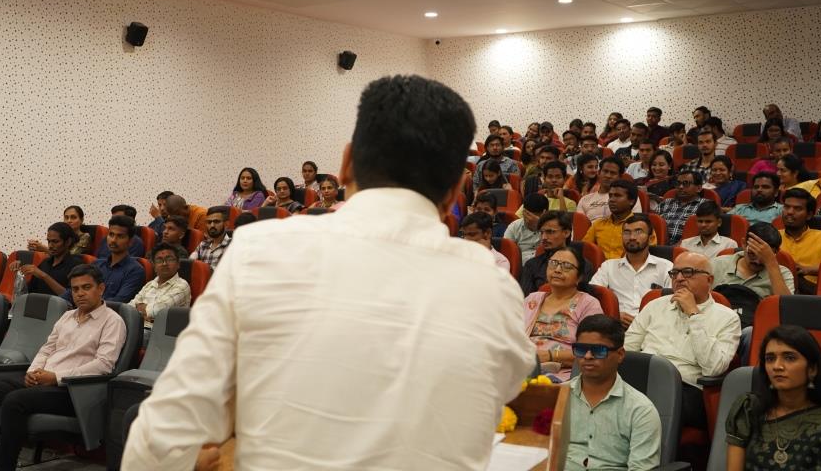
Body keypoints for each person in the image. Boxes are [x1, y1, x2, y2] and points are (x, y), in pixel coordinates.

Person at [123, 74, 537, 470]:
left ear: (346, 164)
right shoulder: (493, 287)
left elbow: (162, 438)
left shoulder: (258, 252)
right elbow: (506, 384)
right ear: (456, 190)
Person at [0, 265, 126, 471]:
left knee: (15, 400)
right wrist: (33, 372)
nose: (80, 293)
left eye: (86, 287)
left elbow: (103, 365)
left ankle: (4, 467)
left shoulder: (113, 321)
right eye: (75, 289)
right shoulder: (67, 316)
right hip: (43, 380)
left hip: (73, 391)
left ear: (100, 288)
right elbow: (47, 348)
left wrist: (56, 377)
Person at [625, 252, 741, 430]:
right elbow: (627, 351)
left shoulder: (727, 318)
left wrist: (693, 314)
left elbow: (713, 368)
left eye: (688, 272)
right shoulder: (654, 306)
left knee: (647, 408)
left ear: (709, 280)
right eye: (674, 273)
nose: (679, 278)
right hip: (645, 378)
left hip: (686, 389)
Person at [725, 325, 821, 470]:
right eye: (770, 358)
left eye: (789, 358)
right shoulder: (749, 409)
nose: (777, 366)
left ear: (812, 369)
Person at [566, 315, 662, 471]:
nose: (587, 356)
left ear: (620, 354)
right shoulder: (556, 396)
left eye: (598, 350)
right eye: (581, 349)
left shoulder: (640, 410)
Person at [523, 246, 603, 382]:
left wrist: (549, 355)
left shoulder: (588, 304)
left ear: (579, 277)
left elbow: (591, 351)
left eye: (566, 266)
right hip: (522, 365)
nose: (557, 269)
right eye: (553, 263)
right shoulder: (532, 299)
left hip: (561, 375)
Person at [590, 214, 671, 326]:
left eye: (638, 232)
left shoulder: (666, 267)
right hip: (615, 326)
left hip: (653, 326)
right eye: (627, 232)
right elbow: (591, 297)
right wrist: (614, 315)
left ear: (651, 238)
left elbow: (672, 303)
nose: (632, 237)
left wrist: (643, 321)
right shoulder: (608, 267)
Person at [779, 188, 821, 292]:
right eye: (786, 207)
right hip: (775, 290)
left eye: (797, 208)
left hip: (812, 294)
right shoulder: (772, 237)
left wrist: (809, 269)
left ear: (809, 215)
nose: (789, 212)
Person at [520, 211, 597, 296]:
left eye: (550, 232)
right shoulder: (531, 265)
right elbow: (525, 300)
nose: (544, 237)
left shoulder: (583, 265)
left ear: (566, 233)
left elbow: (582, 298)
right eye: (541, 232)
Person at [711, 222, 794, 299]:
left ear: (776, 252)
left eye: (764, 257)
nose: (757, 262)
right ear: (744, 244)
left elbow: (786, 306)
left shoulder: (783, 273)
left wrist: (771, 264)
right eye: (752, 254)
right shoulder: (716, 264)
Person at [132, 243, 191, 343]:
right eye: (159, 260)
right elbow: (130, 307)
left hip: (163, 335)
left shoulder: (182, 285)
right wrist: (147, 313)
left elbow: (158, 311)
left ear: (178, 264)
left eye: (169, 259)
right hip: (140, 328)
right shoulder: (149, 285)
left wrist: (143, 309)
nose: (164, 263)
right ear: (154, 266)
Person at [79, 215, 145, 304]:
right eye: (111, 234)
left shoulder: (135, 270)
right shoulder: (96, 265)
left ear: (130, 242)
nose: (113, 240)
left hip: (108, 311)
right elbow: (78, 290)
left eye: (120, 236)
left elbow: (119, 301)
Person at [584, 180, 653, 260]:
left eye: (617, 196)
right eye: (610, 196)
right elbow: (584, 249)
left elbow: (648, 255)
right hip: (601, 267)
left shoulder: (643, 226)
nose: (611, 200)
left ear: (631, 201)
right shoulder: (598, 224)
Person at [13, 222, 84, 296]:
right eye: (49, 241)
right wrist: (18, 274)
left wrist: (44, 276)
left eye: (55, 241)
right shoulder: (45, 263)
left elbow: (71, 297)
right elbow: (28, 292)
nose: (50, 246)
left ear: (68, 242)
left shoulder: (77, 264)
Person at [577, 157, 642, 223]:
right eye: (605, 171)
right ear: (599, 173)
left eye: (613, 173)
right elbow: (579, 225)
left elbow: (635, 222)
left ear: (620, 177)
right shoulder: (584, 200)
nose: (608, 176)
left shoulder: (629, 197)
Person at [658, 170, 705, 245]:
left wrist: (676, 248)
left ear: (698, 188)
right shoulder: (665, 203)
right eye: (678, 183)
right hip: (659, 245)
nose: (680, 187)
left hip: (688, 247)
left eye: (686, 184)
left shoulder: (705, 205)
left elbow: (704, 232)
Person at [504, 193, 548, 264]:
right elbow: (507, 252)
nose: (529, 220)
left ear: (544, 214)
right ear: (524, 212)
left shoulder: (551, 229)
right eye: (528, 215)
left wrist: (540, 226)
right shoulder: (514, 226)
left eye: (535, 217)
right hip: (520, 265)